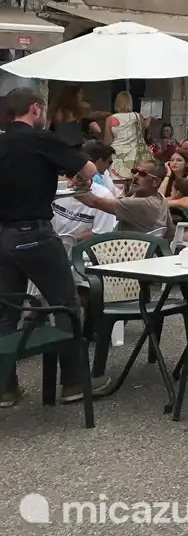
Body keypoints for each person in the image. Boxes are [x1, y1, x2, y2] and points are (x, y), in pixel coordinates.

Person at [0, 88, 108, 407]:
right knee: (65, 304)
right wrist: (79, 177)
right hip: (34, 233)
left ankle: (5, 387)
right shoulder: (41, 139)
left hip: (3, 235)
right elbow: (90, 170)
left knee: (7, 311)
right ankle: (74, 381)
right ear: (35, 108)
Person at [76, 156, 176, 239]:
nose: (135, 176)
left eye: (142, 174)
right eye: (135, 171)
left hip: (127, 252)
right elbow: (170, 232)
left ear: (156, 182)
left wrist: (76, 183)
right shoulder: (161, 199)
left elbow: (94, 202)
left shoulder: (143, 204)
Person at [102, 91, 148, 176]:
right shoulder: (138, 117)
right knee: (135, 180)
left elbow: (107, 142)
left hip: (117, 156)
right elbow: (142, 137)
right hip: (135, 156)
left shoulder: (110, 119)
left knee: (117, 181)